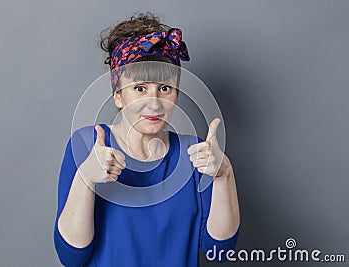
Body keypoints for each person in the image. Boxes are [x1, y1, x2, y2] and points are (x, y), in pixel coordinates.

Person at [53, 12, 240, 267]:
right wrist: (86, 178)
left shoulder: (195, 153)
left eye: (165, 88)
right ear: (118, 95)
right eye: (140, 88)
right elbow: (72, 257)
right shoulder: (88, 145)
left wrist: (224, 174)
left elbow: (219, 250)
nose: (154, 103)